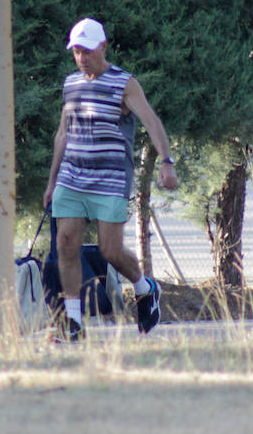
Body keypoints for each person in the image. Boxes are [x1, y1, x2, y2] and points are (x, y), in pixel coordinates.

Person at [43, 17, 178, 342]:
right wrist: (51, 183)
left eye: (88, 50)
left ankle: (146, 289)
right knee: (65, 244)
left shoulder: (123, 83)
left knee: (110, 251)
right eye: (77, 51)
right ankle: (73, 323)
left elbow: (151, 120)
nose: (82, 57)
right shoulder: (71, 84)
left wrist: (167, 161)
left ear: (103, 47)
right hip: (72, 177)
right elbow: (63, 133)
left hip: (110, 179)